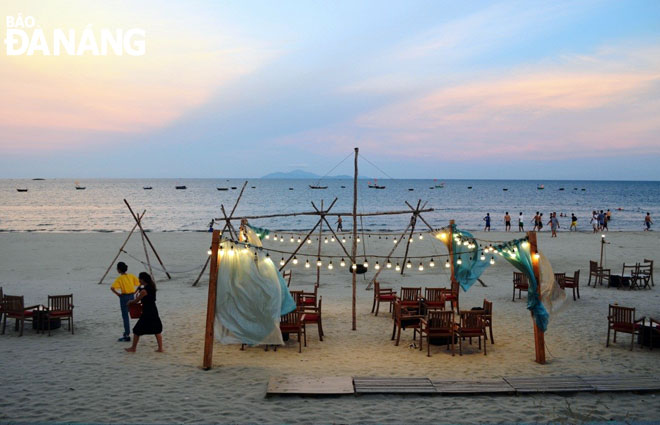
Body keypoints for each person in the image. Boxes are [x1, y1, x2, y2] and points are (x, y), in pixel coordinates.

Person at [125, 272, 163, 353]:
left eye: (139, 279)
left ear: (143, 279)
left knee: (136, 330)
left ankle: (133, 348)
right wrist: (140, 287)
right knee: (157, 329)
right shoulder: (151, 287)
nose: (138, 280)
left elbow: (136, 300)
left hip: (147, 311)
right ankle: (160, 348)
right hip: (153, 310)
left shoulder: (144, 291)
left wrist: (129, 302)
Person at [110, 262, 139, 342]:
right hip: (131, 296)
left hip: (124, 297)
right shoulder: (131, 276)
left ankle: (127, 334)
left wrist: (118, 295)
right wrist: (135, 292)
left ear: (119, 270)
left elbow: (112, 288)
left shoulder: (119, 278)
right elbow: (139, 284)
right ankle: (131, 332)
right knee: (133, 313)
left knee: (125, 316)